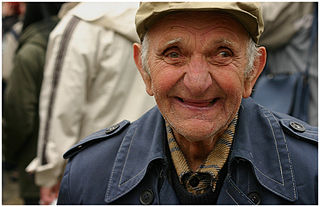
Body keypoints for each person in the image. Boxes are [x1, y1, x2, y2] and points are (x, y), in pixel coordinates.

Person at [57, 2, 318, 205]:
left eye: (222, 54)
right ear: (144, 70)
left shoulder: (312, 170)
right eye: (174, 54)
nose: (197, 82)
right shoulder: (87, 176)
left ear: (252, 71)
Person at [26, 2, 155, 205]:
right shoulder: (153, 22)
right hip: (148, 169)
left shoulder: (79, 24)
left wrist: (49, 174)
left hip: (87, 174)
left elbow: (61, 108)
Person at [3, 2, 62, 204]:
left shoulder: (30, 52)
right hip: (72, 164)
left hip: (35, 166)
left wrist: (9, 155)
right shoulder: (76, 41)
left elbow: (19, 113)